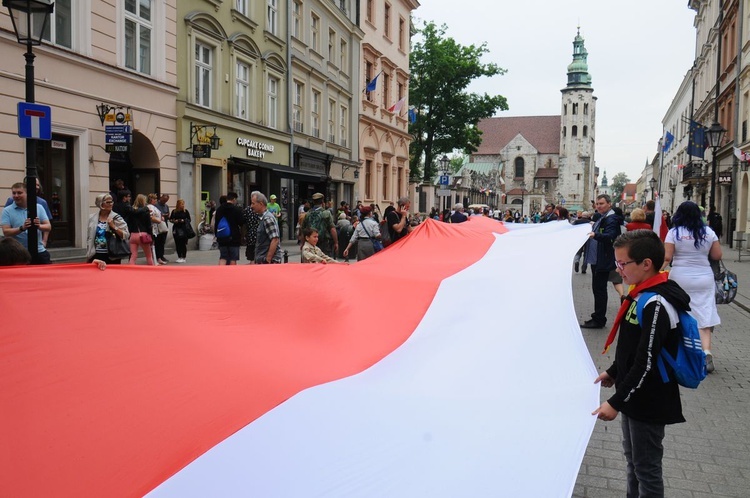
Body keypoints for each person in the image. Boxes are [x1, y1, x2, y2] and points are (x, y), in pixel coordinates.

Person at [593, 230, 689, 498]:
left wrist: (615, 402)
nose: (619, 270)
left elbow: (646, 361)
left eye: (623, 264)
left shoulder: (657, 303)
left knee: (646, 469)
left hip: (649, 399)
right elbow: (632, 347)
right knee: (633, 462)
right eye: (617, 264)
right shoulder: (640, 294)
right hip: (633, 394)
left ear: (646, 264)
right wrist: (613, 372)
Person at [663, 201, 722, 372]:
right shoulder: (708, 232)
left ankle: (683, 351)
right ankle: (706, 352)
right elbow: (717, 255)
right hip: (704, 277)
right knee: (704, 314)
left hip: (680, 276)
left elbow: (667, 257)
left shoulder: (674, 233)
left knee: (680, 312)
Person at [581, 194, 620, 328]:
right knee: (597, 289)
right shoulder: (604, 217)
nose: (598, 206)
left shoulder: (612, 218)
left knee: (599, 290)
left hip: (602, 259)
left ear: (609, 204)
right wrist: (594, 226)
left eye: (601, 203)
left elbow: (610, 236)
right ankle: (597, 317)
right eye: (597, 204)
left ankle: (599, 319)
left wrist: (595, 234)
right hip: (597, 259)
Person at [0, 182, 52, 265]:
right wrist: (22, 228)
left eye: (19, 193)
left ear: (27, 193)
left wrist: (39, 226)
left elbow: (48, 226)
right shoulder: (7, 211)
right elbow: (6, 232)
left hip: (39, 251)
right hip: (19, 254)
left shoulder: (39, 207)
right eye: (14, 193)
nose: (16, 196)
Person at [86, 193, 129, 264]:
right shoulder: (92, 218)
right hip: (95, 254)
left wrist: (113, 226)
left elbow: (126, 235)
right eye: (108, 202)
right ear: (100, 204)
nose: (111, 204)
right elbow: (89, 236)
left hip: (112, 255)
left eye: (111, 202)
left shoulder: (116, 218)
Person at [300, 192, 338, 258]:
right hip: (324, 244)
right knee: (324, 262)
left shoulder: (307, 214)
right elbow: (332, 229)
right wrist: (336, 242)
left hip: (310, 243)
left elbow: (303, 231)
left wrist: (302, 244)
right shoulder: (326, 213)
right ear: (322, 201)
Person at [251, 191, 283, 264]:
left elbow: (275, 239)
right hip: (263, 259)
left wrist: (268, 259)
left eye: (253, 203)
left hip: (268, 262)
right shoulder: (263, 218)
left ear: (261, 204)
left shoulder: (267, 218)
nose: (251, 206)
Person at [213, 192, 244, 265]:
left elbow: (216, 223)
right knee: (233, 258)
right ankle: (231, 275)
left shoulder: (219, 209)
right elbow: (241, 222)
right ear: (234, 199)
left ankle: (221, 273)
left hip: (222, 236)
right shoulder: (236, 209)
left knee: (223, 257)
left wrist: (216, 235)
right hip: (234, 237)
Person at [127, 194, 157, 265]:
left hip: (133, 235)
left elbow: (129, 223)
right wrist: (151, 237)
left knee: (133, 256)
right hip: (143, 235)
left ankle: (131, 270)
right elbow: (148, 225)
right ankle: (151, 271)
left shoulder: (131, 211)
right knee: (149, 256)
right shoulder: (146, 211)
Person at [169, 199, 192, 263]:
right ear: (178, 204)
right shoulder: (174, 211)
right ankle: (179, 256)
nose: (182, 205)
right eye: (181, 204)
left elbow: (189, 219)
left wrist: (183, 220)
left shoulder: (185, 211)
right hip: (176, 228)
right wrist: (174, 221)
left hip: (183, 228)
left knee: (183, 243)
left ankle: (183, 257)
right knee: (177, 243)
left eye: (183, 204)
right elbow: (170, 219)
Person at [147, 194, 167, 265]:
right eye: (154, 199)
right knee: (154, 244)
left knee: (157, 244)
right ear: (151, 200)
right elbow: (151, 217)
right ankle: (155, 259)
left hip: (156, 228)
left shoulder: (153, 207)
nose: (156, 200)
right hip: (153, 228)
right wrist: (159, 220)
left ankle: (158, 258)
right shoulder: (150, 207)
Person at [155, 194, 170, 263]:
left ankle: (161, 255)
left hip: (164, 225)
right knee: (157, 241)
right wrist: (162, 215)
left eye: (166, 201)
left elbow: (168, 214)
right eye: (163, 200)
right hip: (157, 225)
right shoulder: (156, 205)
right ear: (161, 198)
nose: (164, 202)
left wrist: (167, 215)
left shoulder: (166, 206)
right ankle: (157, 256)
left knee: (162, 241)